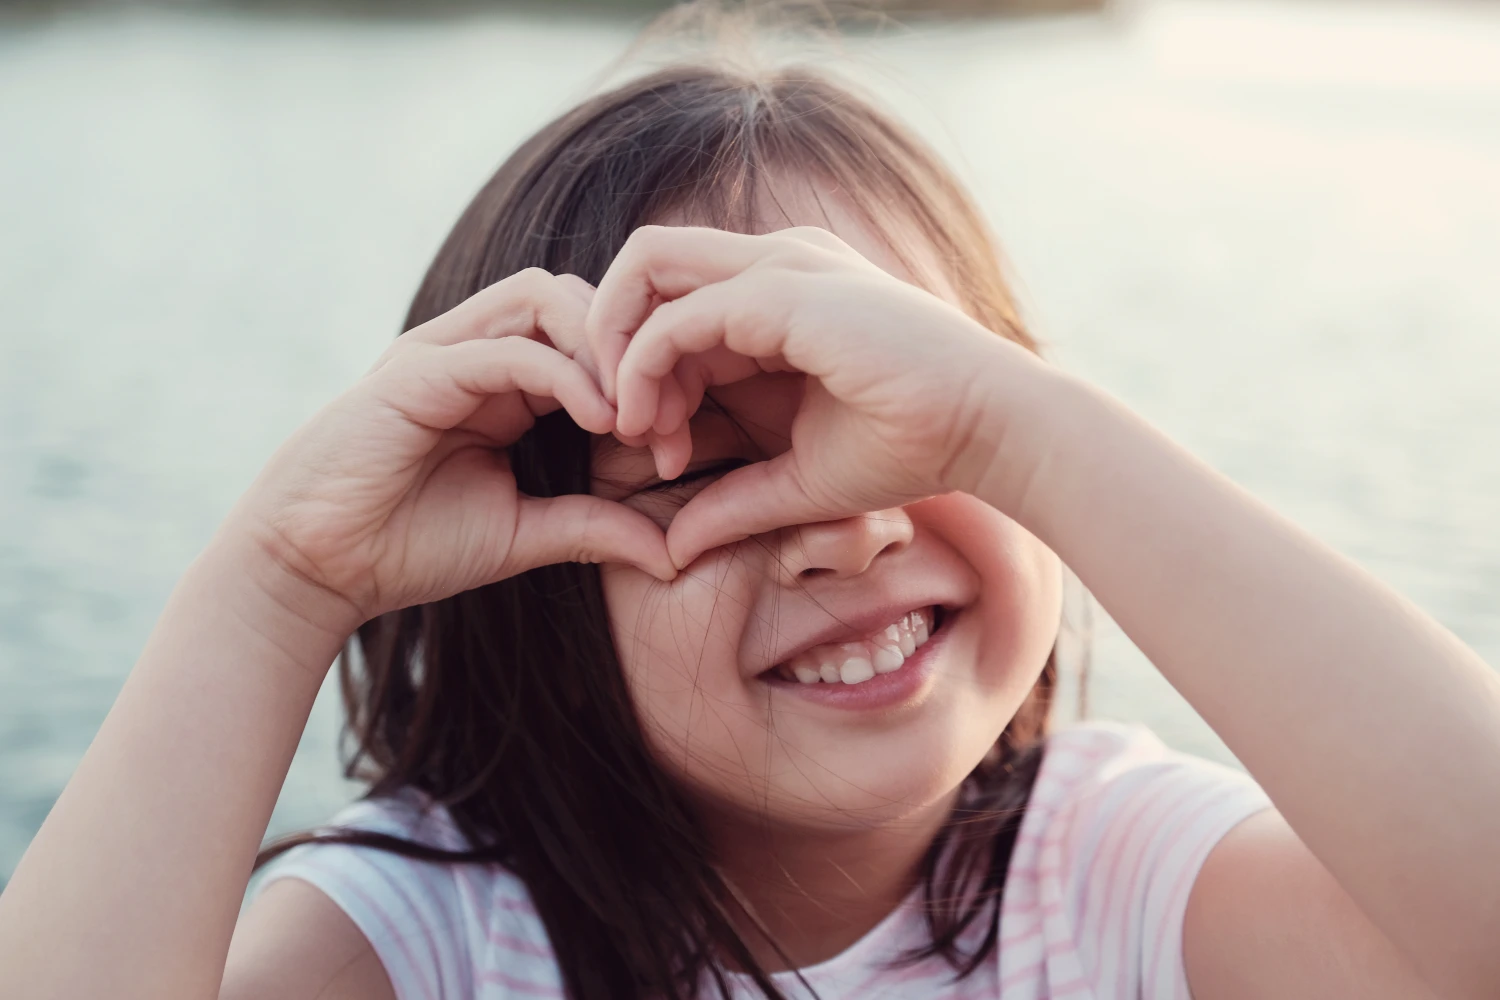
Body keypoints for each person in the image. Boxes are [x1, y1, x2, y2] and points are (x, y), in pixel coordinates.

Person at [2, 34, 1498, 1000]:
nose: (848, 529)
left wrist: (1020, 427)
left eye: (909, 423)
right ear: (530, 573)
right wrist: (273, 587)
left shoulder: (1108, 874)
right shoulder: (426, 942)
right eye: (706, 467)